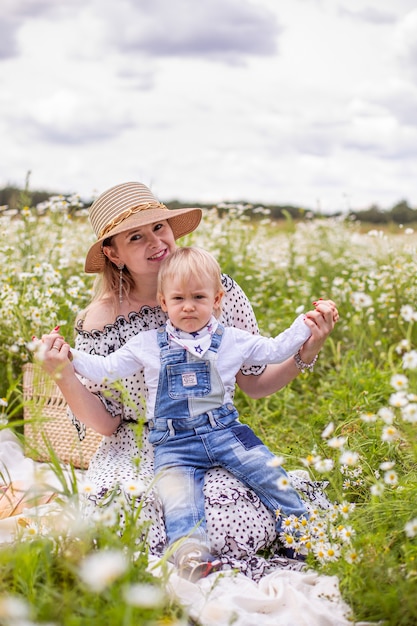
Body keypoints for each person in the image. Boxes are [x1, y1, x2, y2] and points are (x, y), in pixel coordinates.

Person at [38, 181, 339, 581]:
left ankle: (304, 535)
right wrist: (63, 372)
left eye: (159, 228)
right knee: (153, 509)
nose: (156, 242)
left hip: (218, 431)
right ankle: (191, 556)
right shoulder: (103, 320)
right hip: (145, 444)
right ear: (113, 253)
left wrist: (307, 346)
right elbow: (106, 420)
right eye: (136, 236)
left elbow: (256, 380)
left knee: (236, 501)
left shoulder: (217, 289)